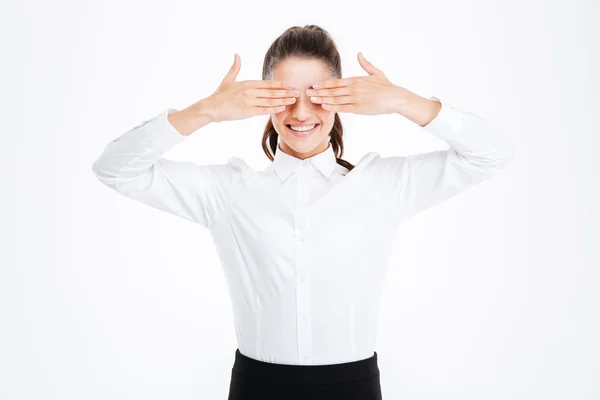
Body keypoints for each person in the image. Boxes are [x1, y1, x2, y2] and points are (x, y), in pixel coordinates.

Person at [92, 25, 515, 400]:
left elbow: (491, 154)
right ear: (260, 100)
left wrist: (403, 101)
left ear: (342, 99)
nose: (300, 113)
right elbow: (114, 169)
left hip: (353, 389)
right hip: (257, 388)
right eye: (283, 97)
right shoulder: (227, 191)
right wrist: (205, 111)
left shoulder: (382, 186)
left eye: (317, 96)